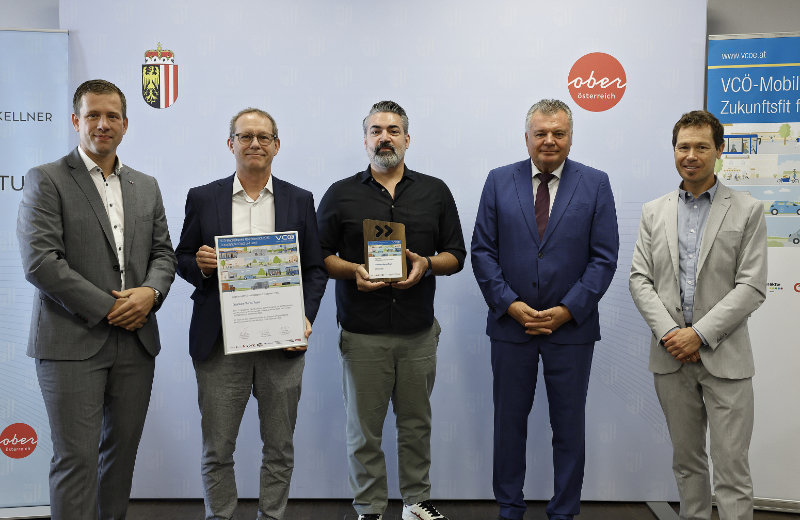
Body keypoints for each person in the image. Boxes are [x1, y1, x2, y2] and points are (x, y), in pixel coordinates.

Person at [16, 79, 177, 519]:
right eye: (93, 115)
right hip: (71, 341)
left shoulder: (146, 185)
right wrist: (113, 308)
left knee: (119, 462)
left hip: (136, 343)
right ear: (76, 121)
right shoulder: (46, 179)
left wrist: (150, 293)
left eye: (112, 116)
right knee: (76, 462)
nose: (103, 124)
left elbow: (164, 254)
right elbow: (41, 262)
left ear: (125, 124)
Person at [175, 108, 327, 520]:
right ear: (231, 144)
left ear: (277, 145)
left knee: (279, 447)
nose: (254, 143)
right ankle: (219, 516)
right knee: (217, 448)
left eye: (263, 137)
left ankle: (271, 516)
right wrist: (202, 266)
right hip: (220, 342)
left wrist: (305, 316)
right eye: (245, 136)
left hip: (282, 340)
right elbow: (182, 257)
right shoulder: (203, 197)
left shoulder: (300, 199)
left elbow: (315, 268)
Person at [317, 100, 466, 520]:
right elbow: (319, 255)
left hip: (418, 331)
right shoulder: (340, 193)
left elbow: (456, 255)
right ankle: (369, 508)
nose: (385, 137)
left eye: (393, 130)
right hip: (362, 333)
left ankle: (415, 502)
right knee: (363, 430)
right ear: (365, 140)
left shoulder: (435, 191)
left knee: (416, 425)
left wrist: (426, 264)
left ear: (407, 139)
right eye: (376, 130)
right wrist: (353, 271)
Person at [471, 99, 619, 520]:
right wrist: (510, 305)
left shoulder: (596, 183)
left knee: (569, 427)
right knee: (509, 425)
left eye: (558, 133)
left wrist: (568, 309)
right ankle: (509, 508)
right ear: (527, 138)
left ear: (571, 137)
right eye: (541, 133)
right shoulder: (498, 180)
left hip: (571, 330)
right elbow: (482, 251)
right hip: (510, 326)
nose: (549, 140)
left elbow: (604, 257)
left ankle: (564, 511)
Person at [629, 110, 767, 520]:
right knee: (687, 464)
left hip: (726, 360)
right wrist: (672, 333)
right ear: (674, 150)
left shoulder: (747, 209)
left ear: (719, 150)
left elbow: (751, 286)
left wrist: (699, 334)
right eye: (683, 146)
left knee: (731, 469)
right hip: (671, 358)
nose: (691, 155)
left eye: (701, 147)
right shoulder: (654, 211)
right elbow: (640, 279)